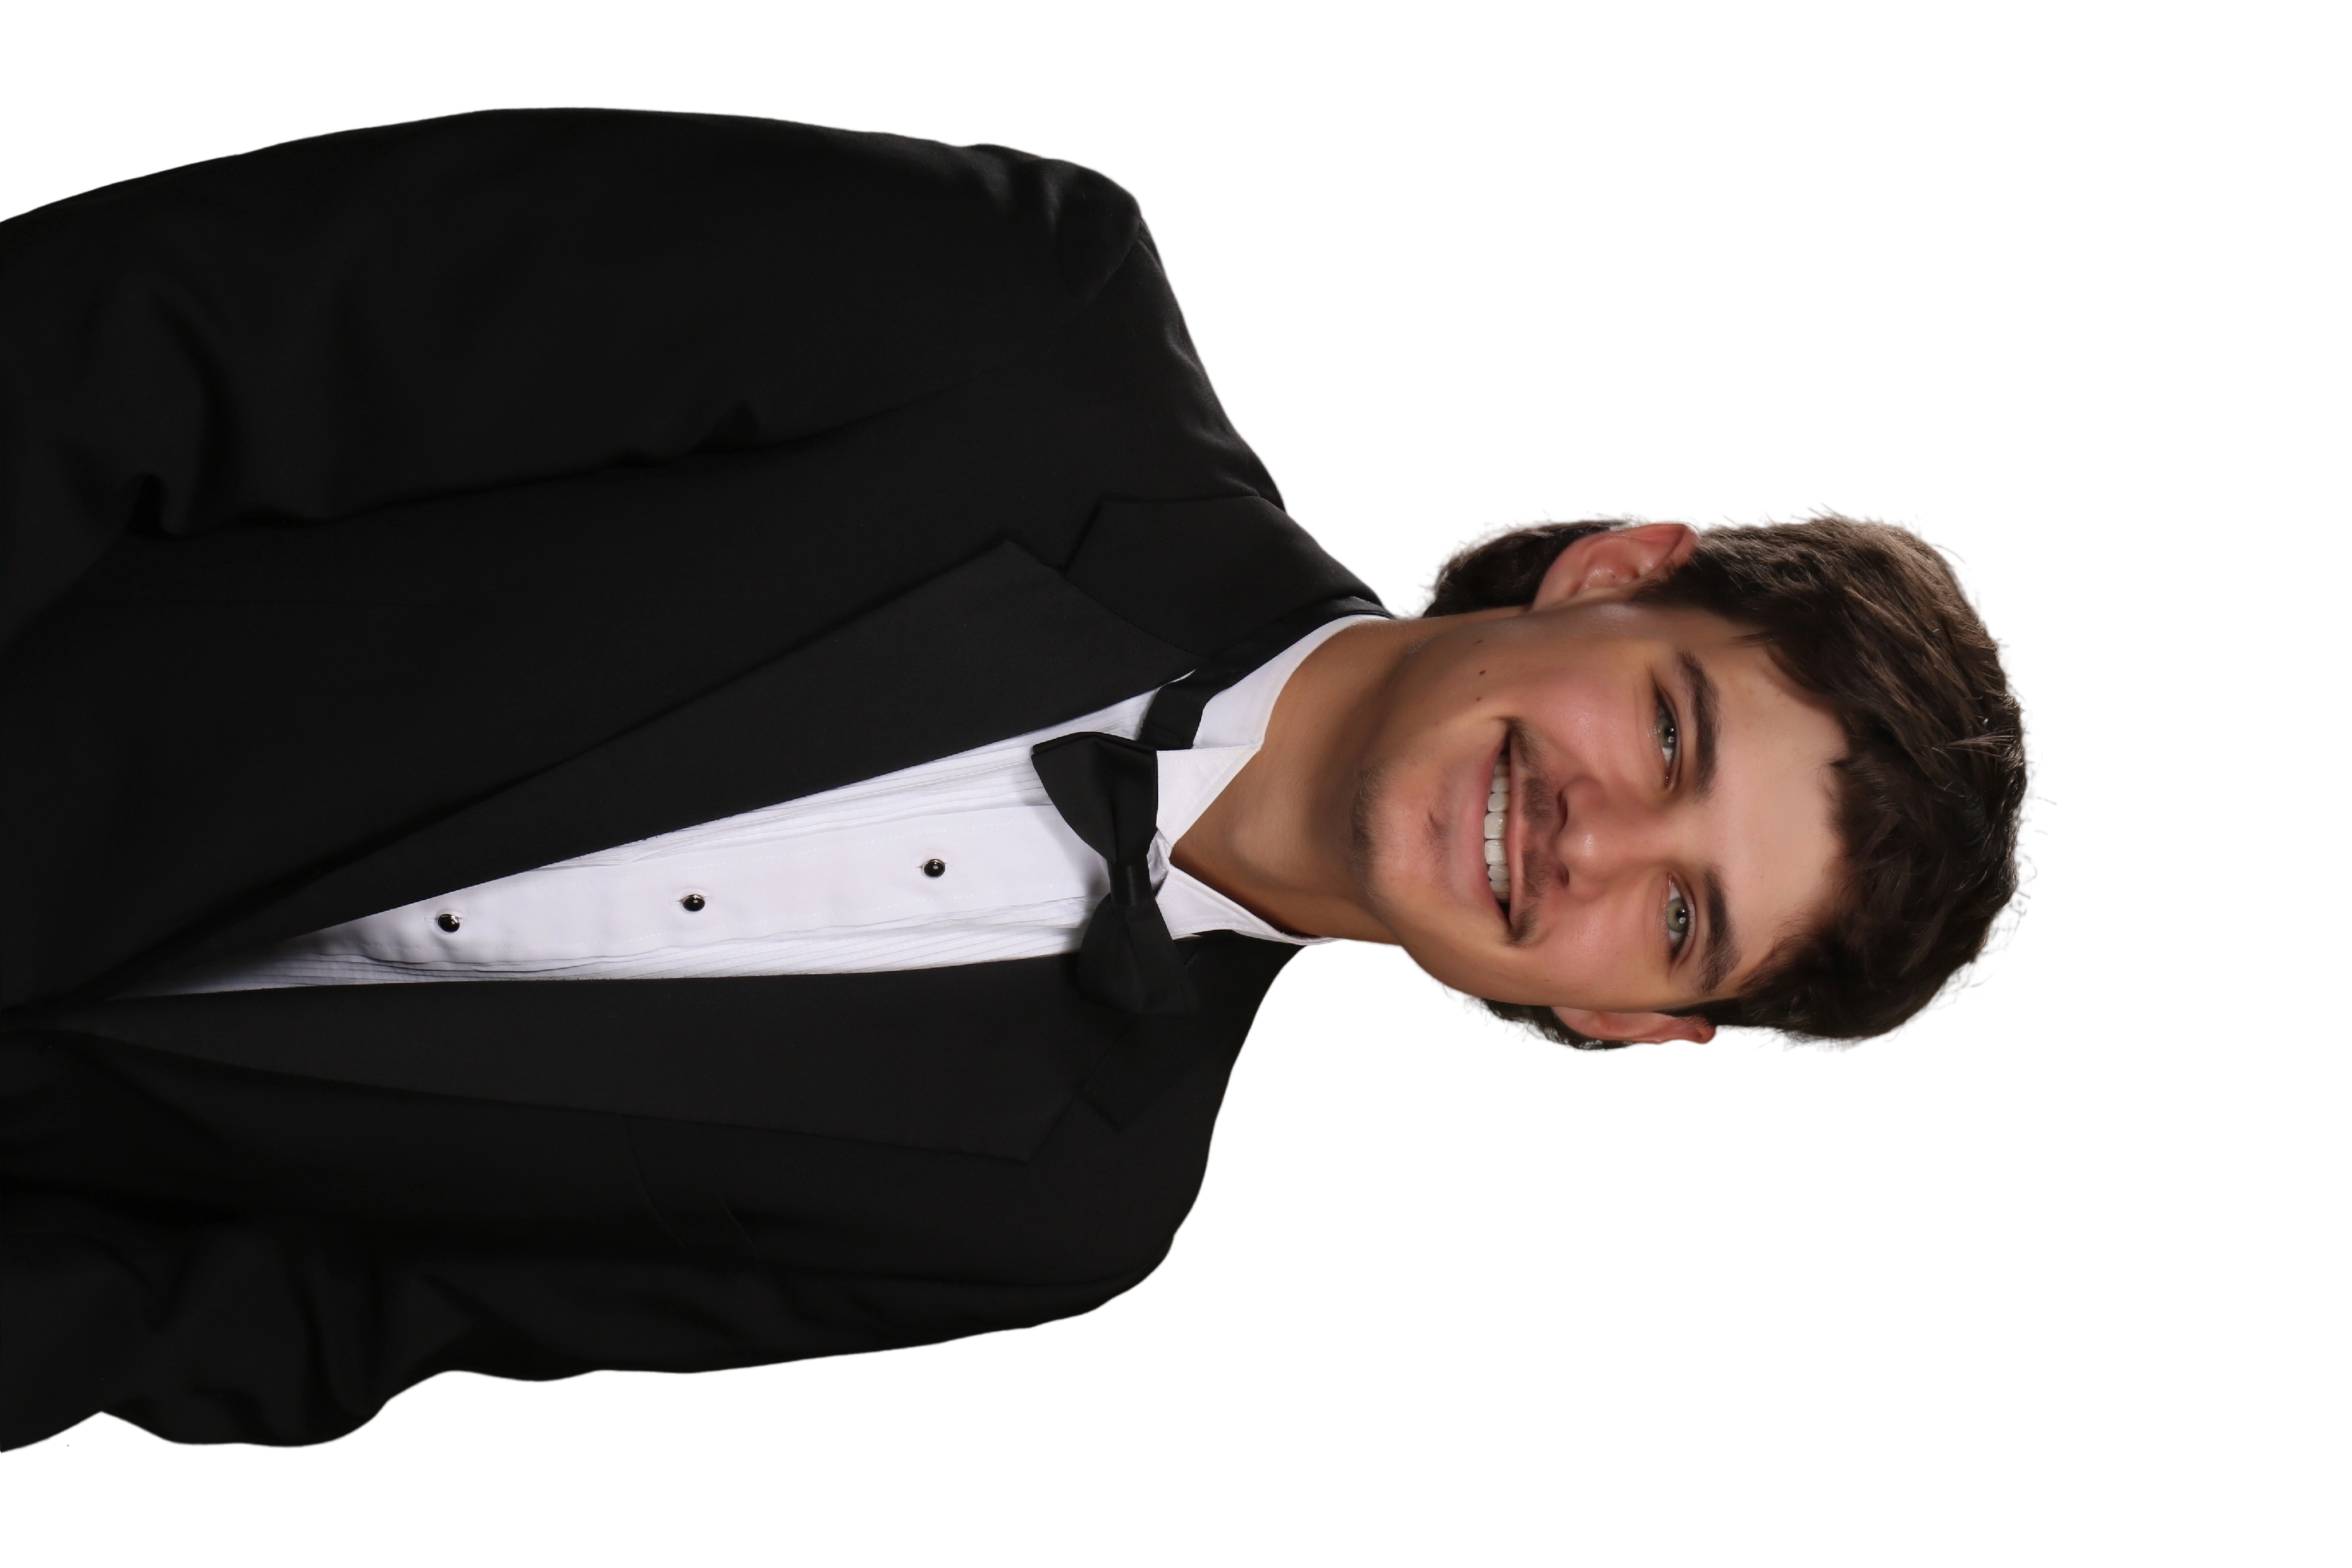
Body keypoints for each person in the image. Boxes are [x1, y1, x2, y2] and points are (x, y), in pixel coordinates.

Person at [0, 107, 2037, 1452]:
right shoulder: (1011, 313)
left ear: (1626, 1019)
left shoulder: (1064, 1217)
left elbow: (334, 1313)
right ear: (1615, 574)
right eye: (1670, 733)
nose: (1598, 837)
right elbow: (174, 330)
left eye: (1682, 916)